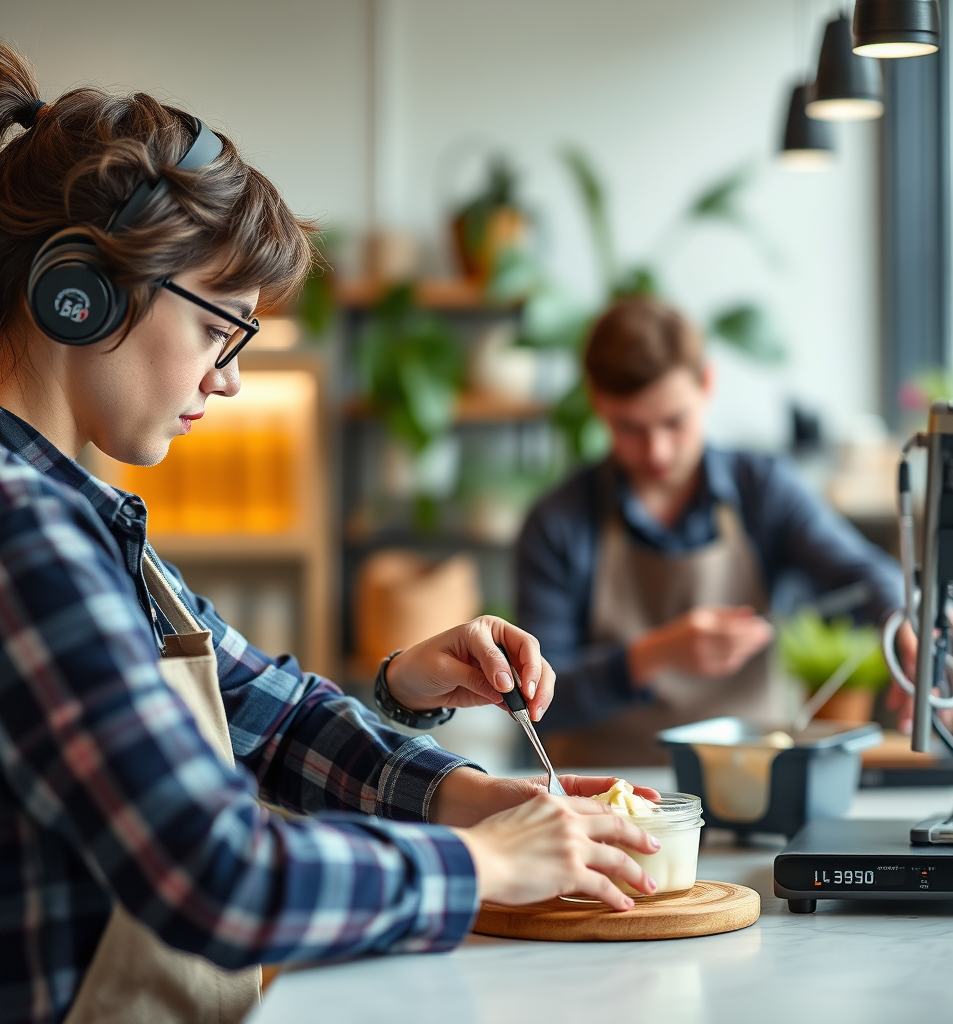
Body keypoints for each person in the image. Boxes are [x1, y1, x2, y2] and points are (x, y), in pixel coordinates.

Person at [0, 47, 662, 1024]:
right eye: (221, 326)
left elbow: (271, 718)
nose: (229, 377)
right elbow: (216, 874)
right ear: (78, 291)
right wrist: (479, 863)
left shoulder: (84, 523)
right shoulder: (28, 531)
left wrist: (478, 798)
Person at [516, 296, 907, 766]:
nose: (657, 451)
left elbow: (864, 573)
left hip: (753, 781)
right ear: (599, 404)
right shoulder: (558, 523)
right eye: (630, 428)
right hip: (600, 797)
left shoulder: (762, 490)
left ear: (707, 384)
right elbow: (537, 704)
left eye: (673, 422)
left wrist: (902, 620)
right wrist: (651, 656)